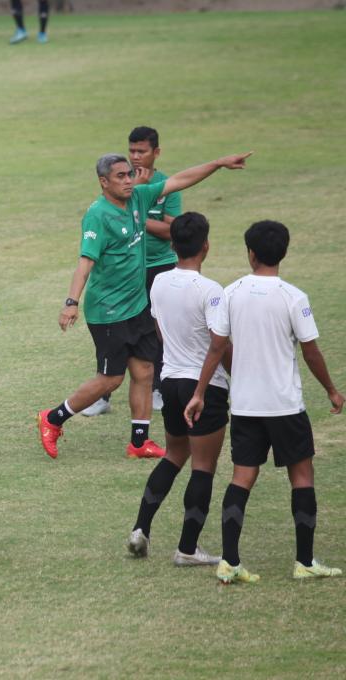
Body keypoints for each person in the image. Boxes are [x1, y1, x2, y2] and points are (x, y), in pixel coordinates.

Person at [35, 150, 251, 460]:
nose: (128, 180)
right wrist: (71, 303)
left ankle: (139, 442)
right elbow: (85, 262)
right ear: (103, 182)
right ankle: (52, 418)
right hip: (108, 311)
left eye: (129, 174)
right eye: (120, 176)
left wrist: (217, 164)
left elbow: (179, 181)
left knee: (145, 371)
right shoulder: (97, 215)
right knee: (111, 378)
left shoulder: (137, 198)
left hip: (137, 306)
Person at [185, 220, 344, 584]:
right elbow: (311, 352)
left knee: (242, 477)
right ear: (283, 253)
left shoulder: (231, 292)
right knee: (302, 476)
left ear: (251, 253)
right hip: (285, 405)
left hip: (245, 405)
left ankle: (229, 561)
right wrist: (332, 390)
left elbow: (218, 345)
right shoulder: (293, 297)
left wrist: (199, 392)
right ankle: (304, 562)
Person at [125, 213, 226, 566]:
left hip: (170, 381)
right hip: (204, 387)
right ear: (206, 246)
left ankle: (141, 528)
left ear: (172, 245)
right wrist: (203, 389)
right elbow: (218, 345)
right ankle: (187, 549)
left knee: (173, 455)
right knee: (203, 467)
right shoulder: (211, 290)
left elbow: (160, 328)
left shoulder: (160, 283)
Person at [83, 126, 184, 417]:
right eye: (133, 151)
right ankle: (103, 395)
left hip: (159, 265)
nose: (136, 157)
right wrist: (135, 216)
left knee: (154, 331)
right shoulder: (125, 192)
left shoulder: (154, 188)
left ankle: (155, 389)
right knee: (114, 334)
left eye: (142, 151)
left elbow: (172, 229)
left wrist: (136, 218)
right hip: (126, 274)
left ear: (156, 152)